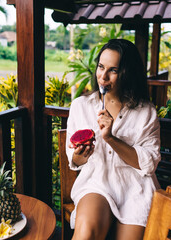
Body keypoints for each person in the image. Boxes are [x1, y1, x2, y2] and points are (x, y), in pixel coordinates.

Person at [66, 39, 161, 240]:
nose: (103, 76)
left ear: (127, 73)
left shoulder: (146, 112)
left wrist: (110, 138)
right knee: (85, 235)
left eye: (113, 70)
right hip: (97, 180)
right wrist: (79, 156)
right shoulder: (80, 106)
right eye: (101, 67)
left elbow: (148, 164)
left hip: (136, 187)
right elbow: (74, 161)